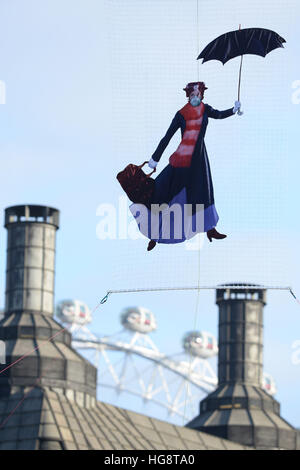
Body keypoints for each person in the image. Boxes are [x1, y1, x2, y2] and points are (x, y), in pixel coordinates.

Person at [130, 82, 241, 251]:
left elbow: (218, 114)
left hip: (199, 159)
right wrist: (155, 158)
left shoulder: (206, 109)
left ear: (202, 95)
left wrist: (233, 110)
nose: (195, 98)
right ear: (188, 96)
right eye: (192, 95)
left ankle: (210, 229)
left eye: (198, 95)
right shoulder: (181, 114)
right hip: (182, 160)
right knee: (165, 192)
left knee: (204, 194)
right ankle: (155, 234)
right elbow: (167, 137)